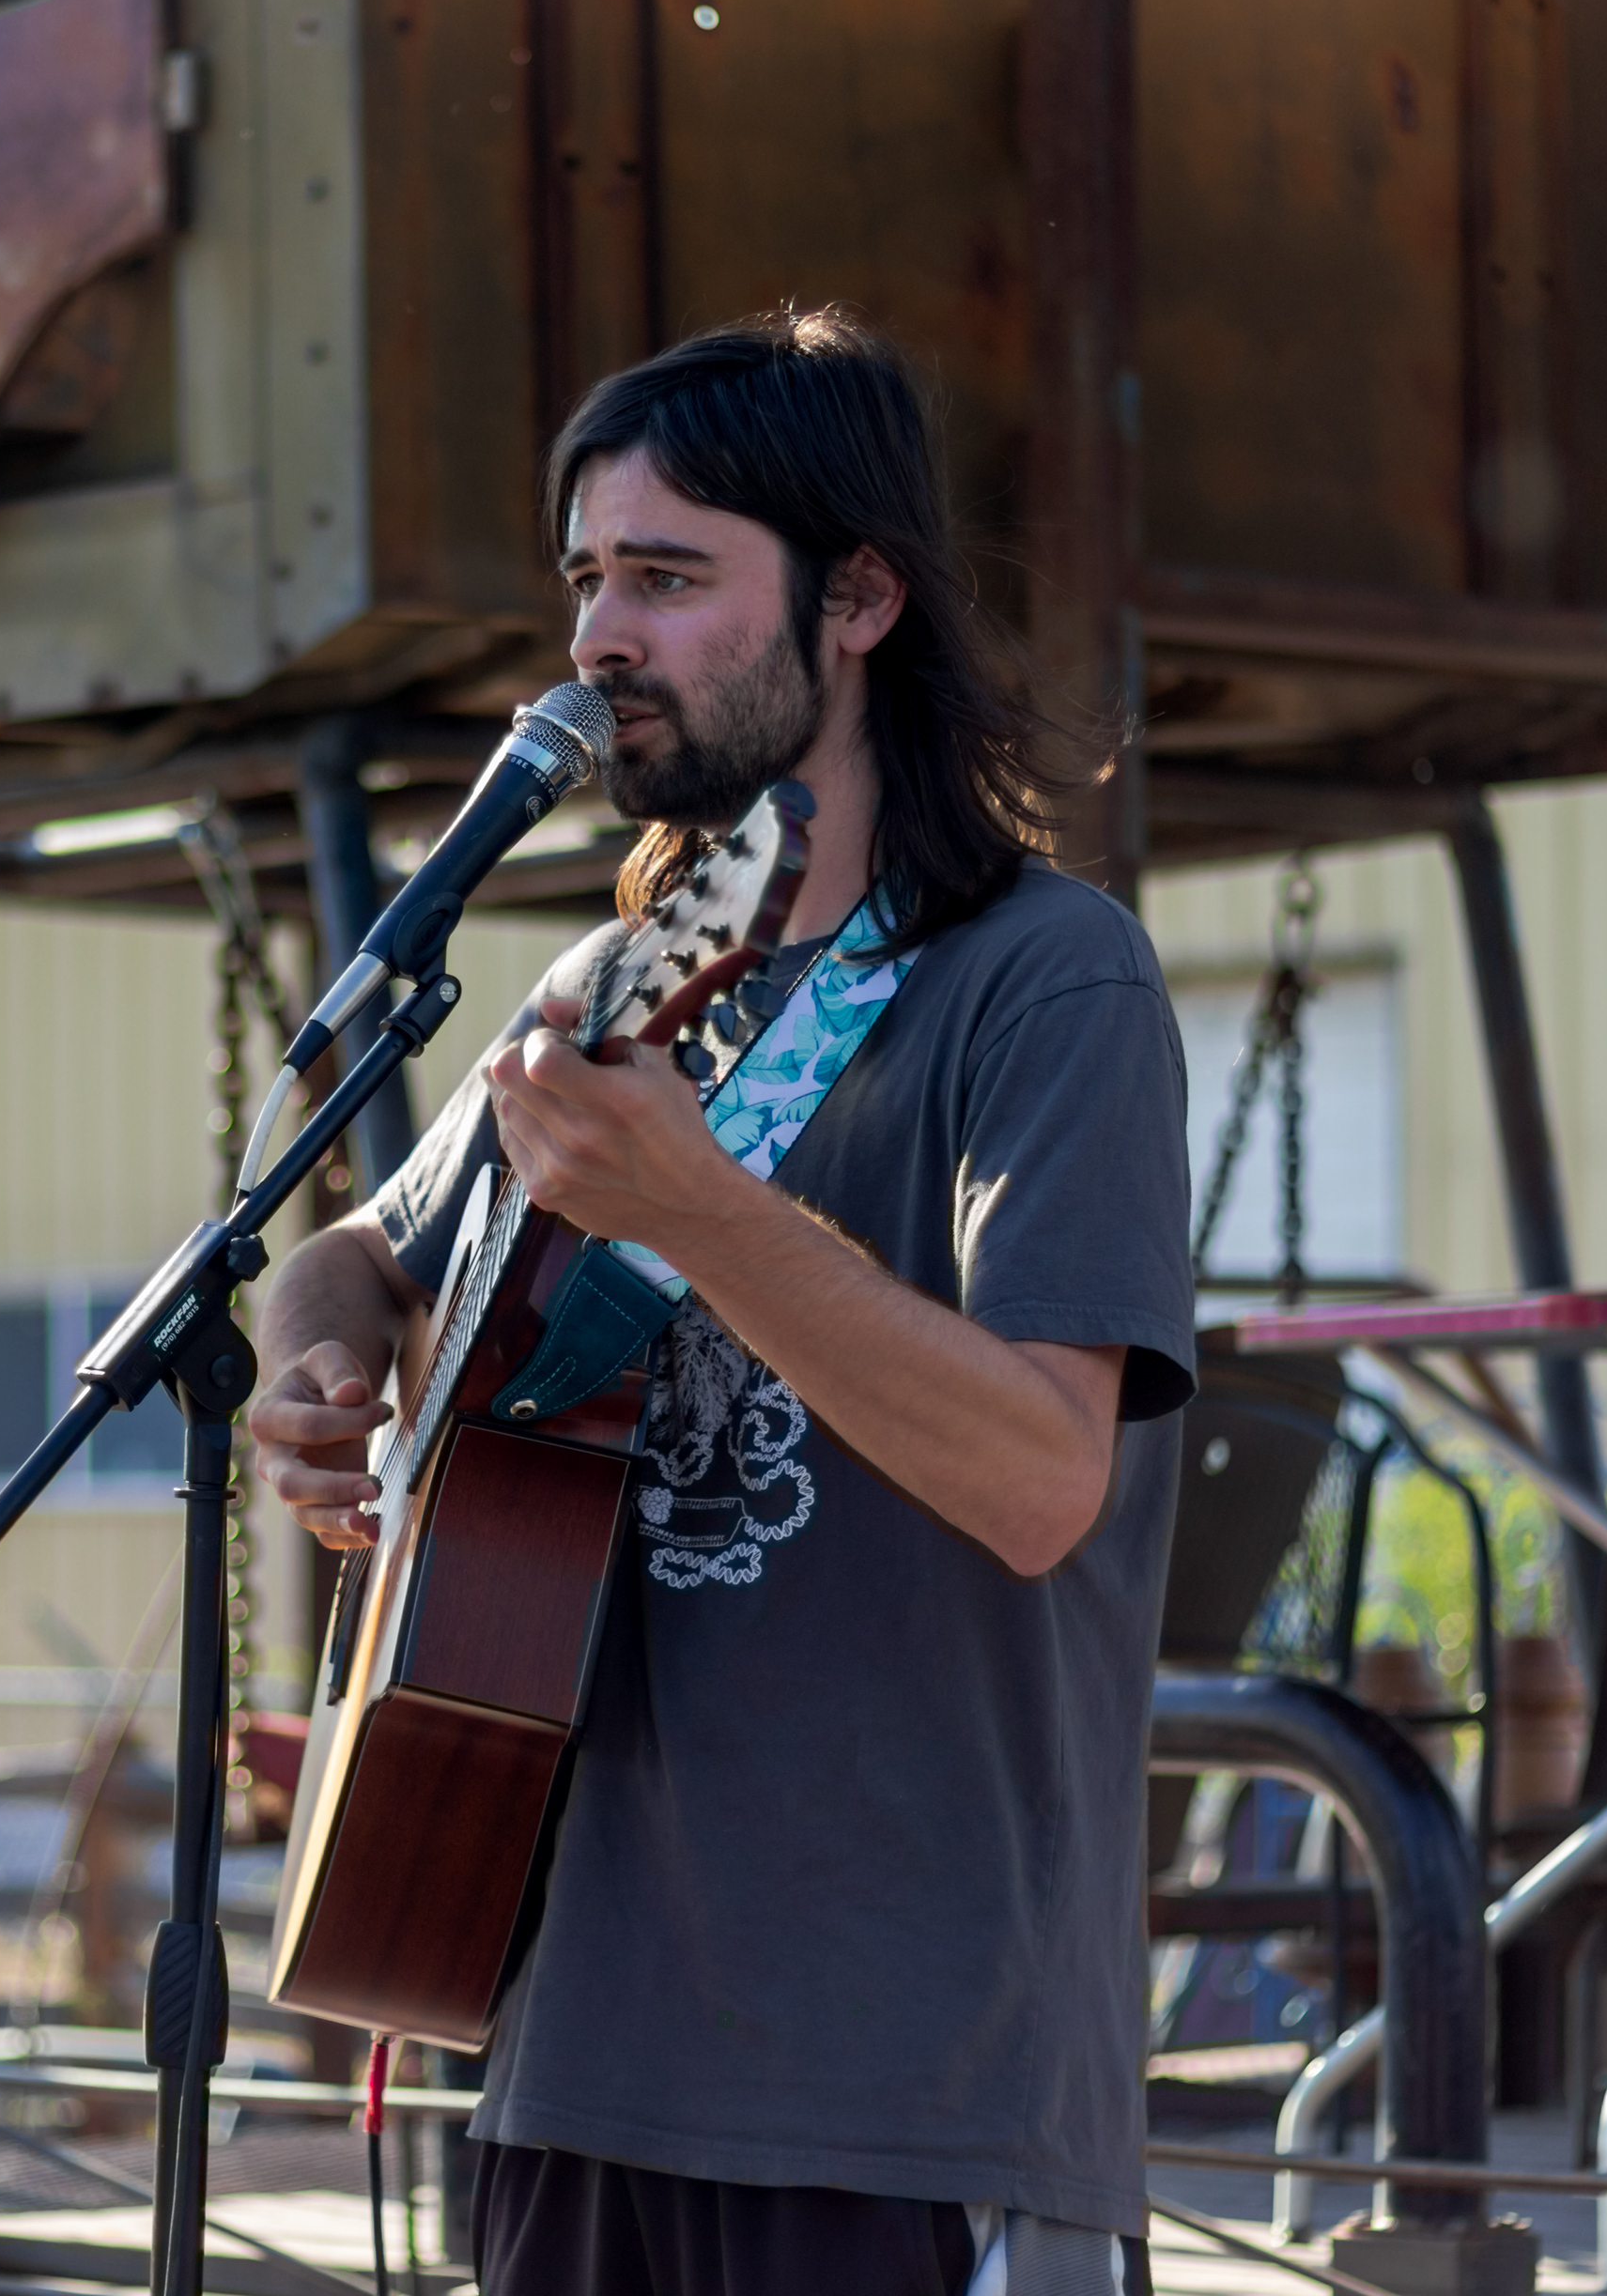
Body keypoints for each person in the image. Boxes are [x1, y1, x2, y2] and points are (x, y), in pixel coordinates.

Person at [249, 307, 1197, 2296]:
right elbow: (357, 1247)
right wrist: (316, 1357)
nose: (604, 633)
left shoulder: (1046, 980)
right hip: (564, 2048)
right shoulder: (611, 995)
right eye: (590, 578)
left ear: (860, 597)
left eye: (671, 579)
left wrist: (710, 1210)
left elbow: (1042, 1474)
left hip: (901, 2090)